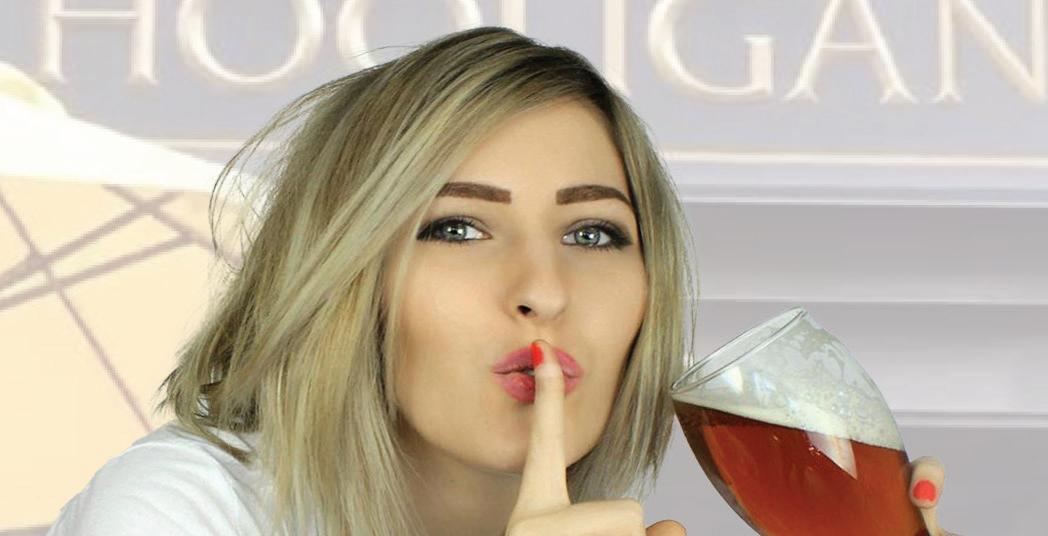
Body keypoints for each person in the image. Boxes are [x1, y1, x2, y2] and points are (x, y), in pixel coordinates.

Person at [46, 26, 954, 535]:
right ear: (344, 273)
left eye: (594, 232)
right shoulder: (173, 510)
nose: (544, 290)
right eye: (458, 228)